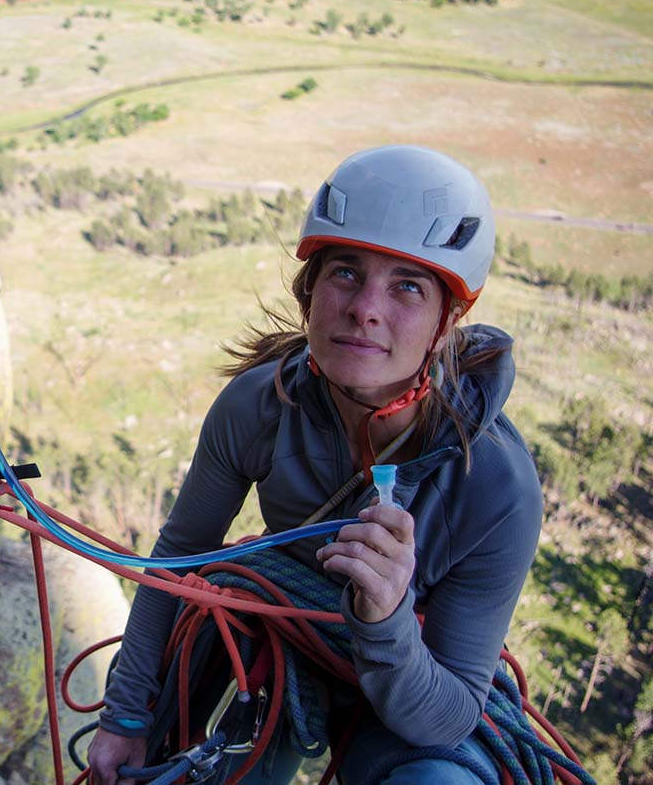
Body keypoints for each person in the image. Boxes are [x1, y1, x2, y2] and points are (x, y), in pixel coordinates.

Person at [86, 145, 543, 785]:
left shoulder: (496, 485)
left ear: (447, 322)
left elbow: (448, 717)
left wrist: (384, 619)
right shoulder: (260, 404)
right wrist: (127, 716)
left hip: (409, 681)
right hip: (276, 650)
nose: (366, 308)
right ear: (311, 291)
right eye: (346, 273)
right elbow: (181, 555)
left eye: (408, 286)